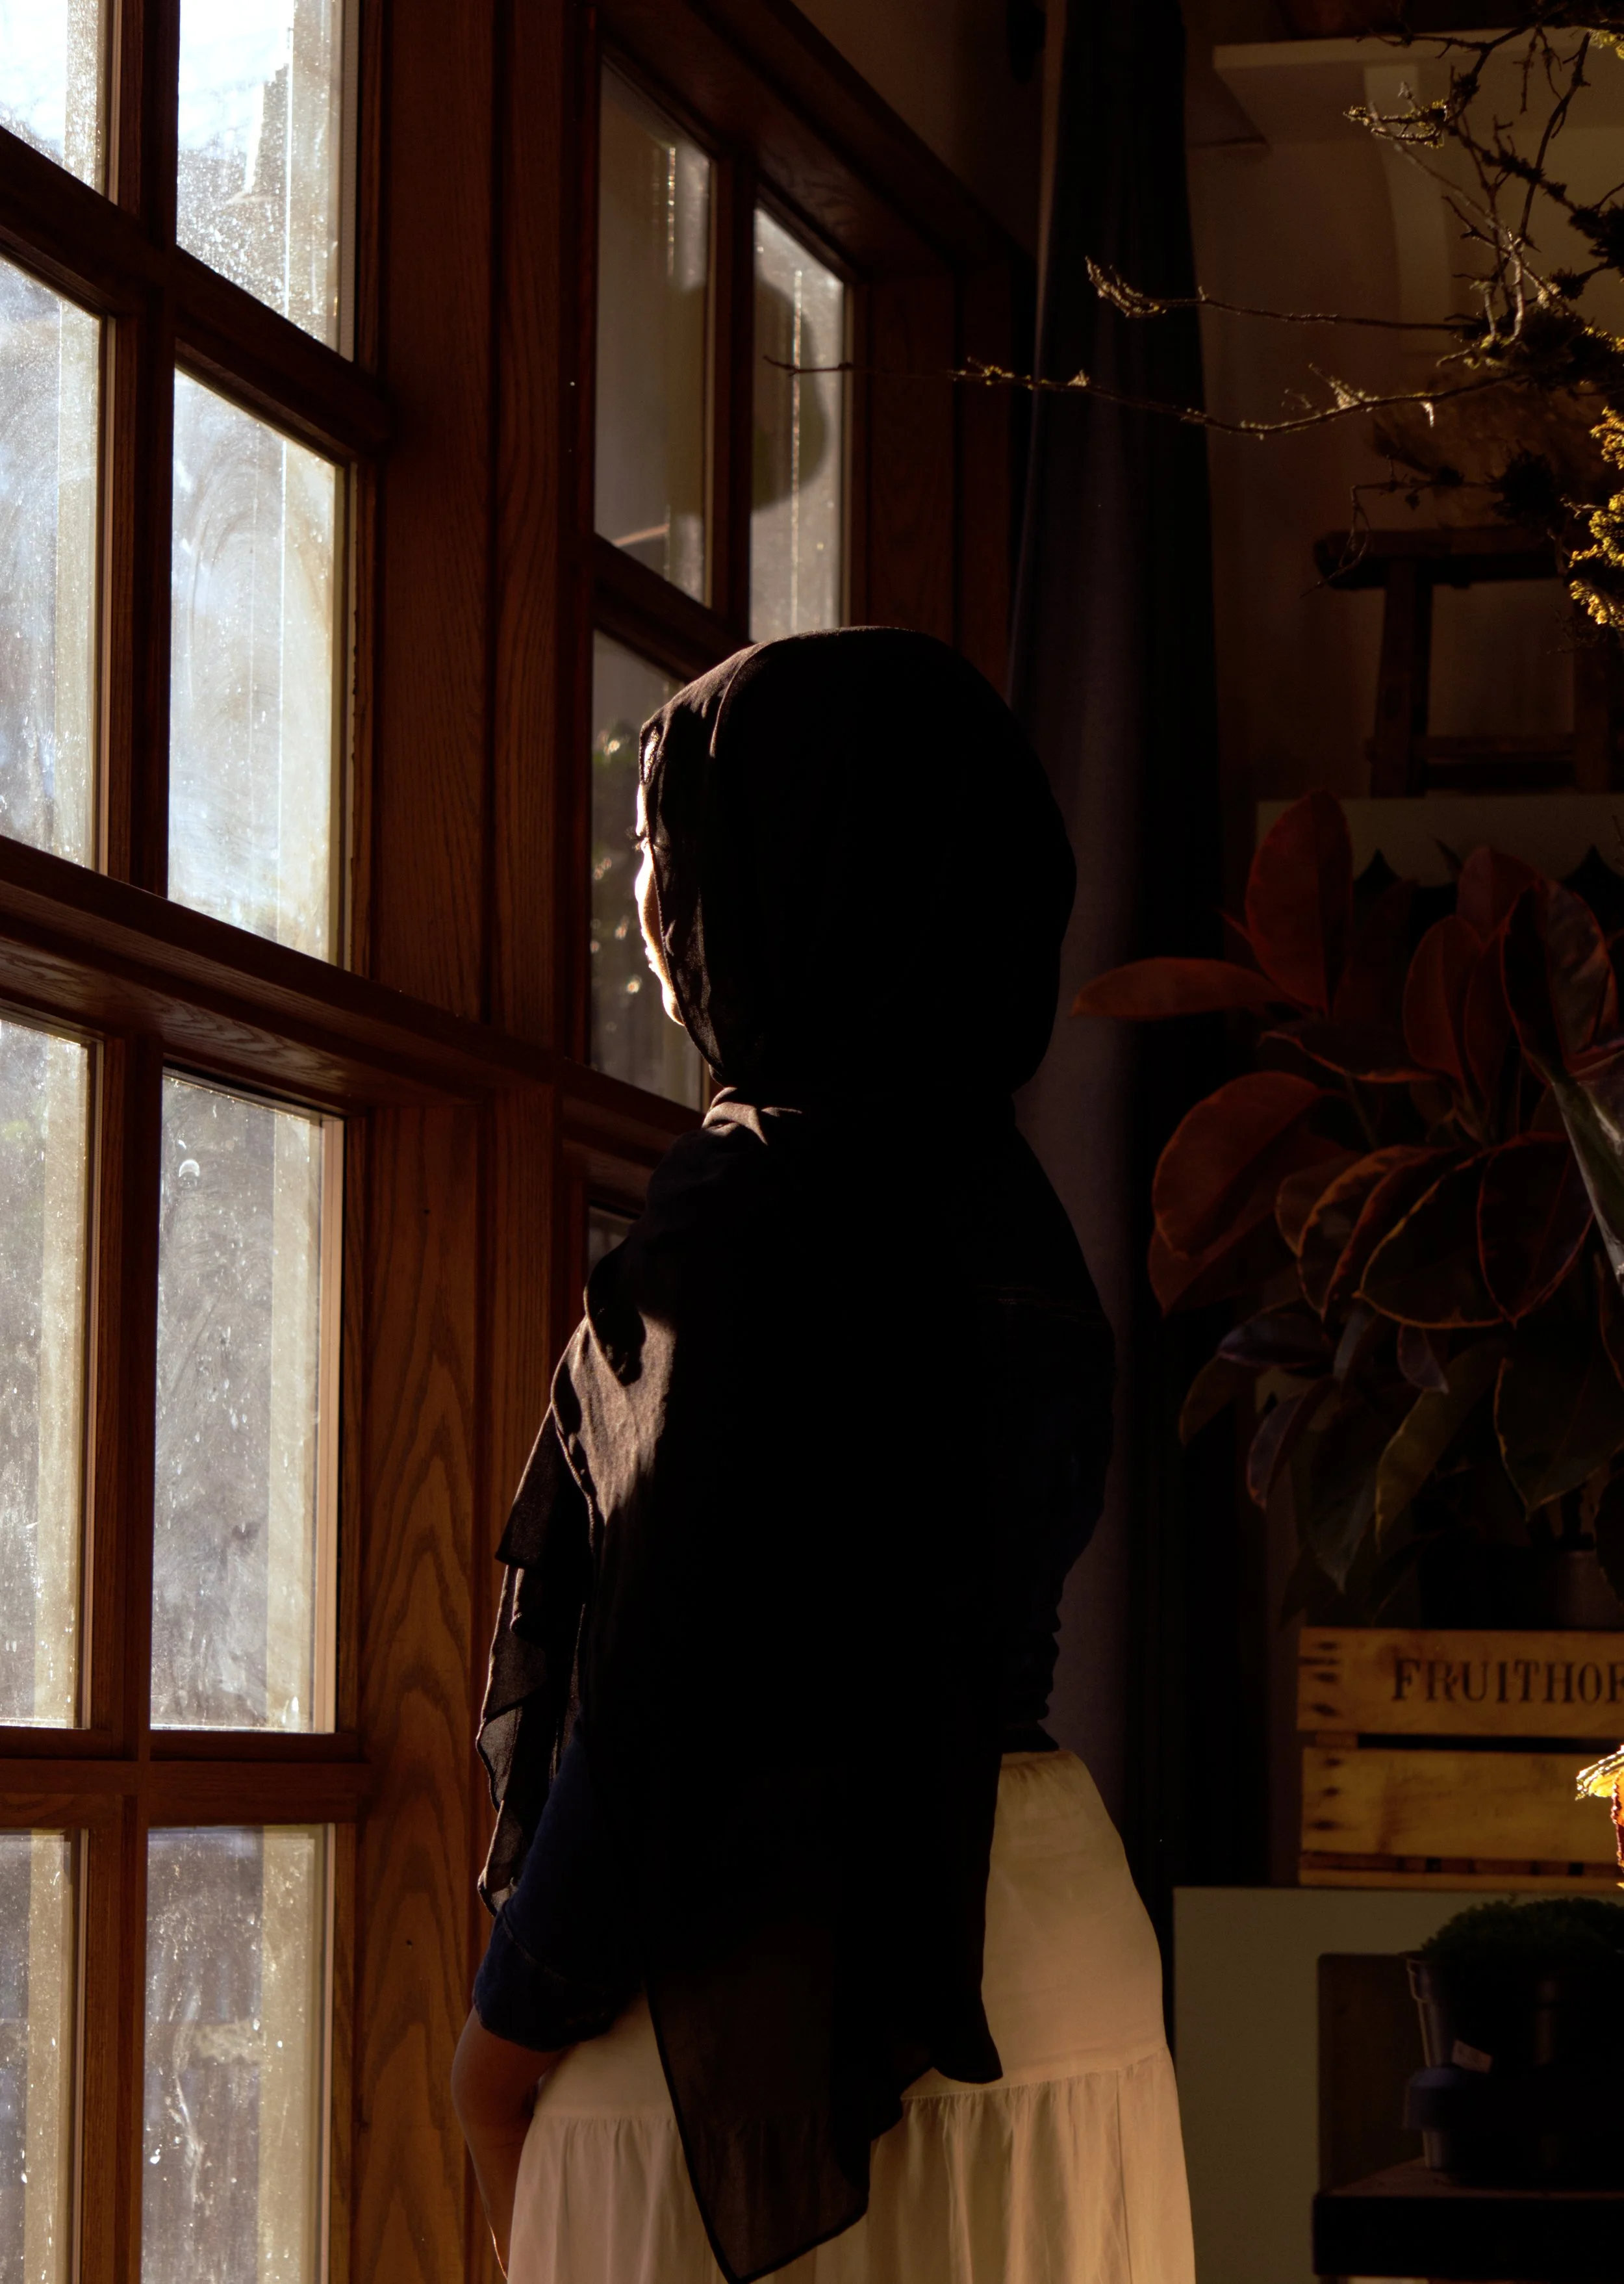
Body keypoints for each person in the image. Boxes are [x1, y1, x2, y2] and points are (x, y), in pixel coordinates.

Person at [451, 629, 1196, 2284]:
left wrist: (505, 2028)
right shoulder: (1014, 1218)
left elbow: (669, 1693)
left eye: (666, 846)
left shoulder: (746, 1216)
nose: (645, 901)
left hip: (756, 1992)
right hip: (1045, 1945)